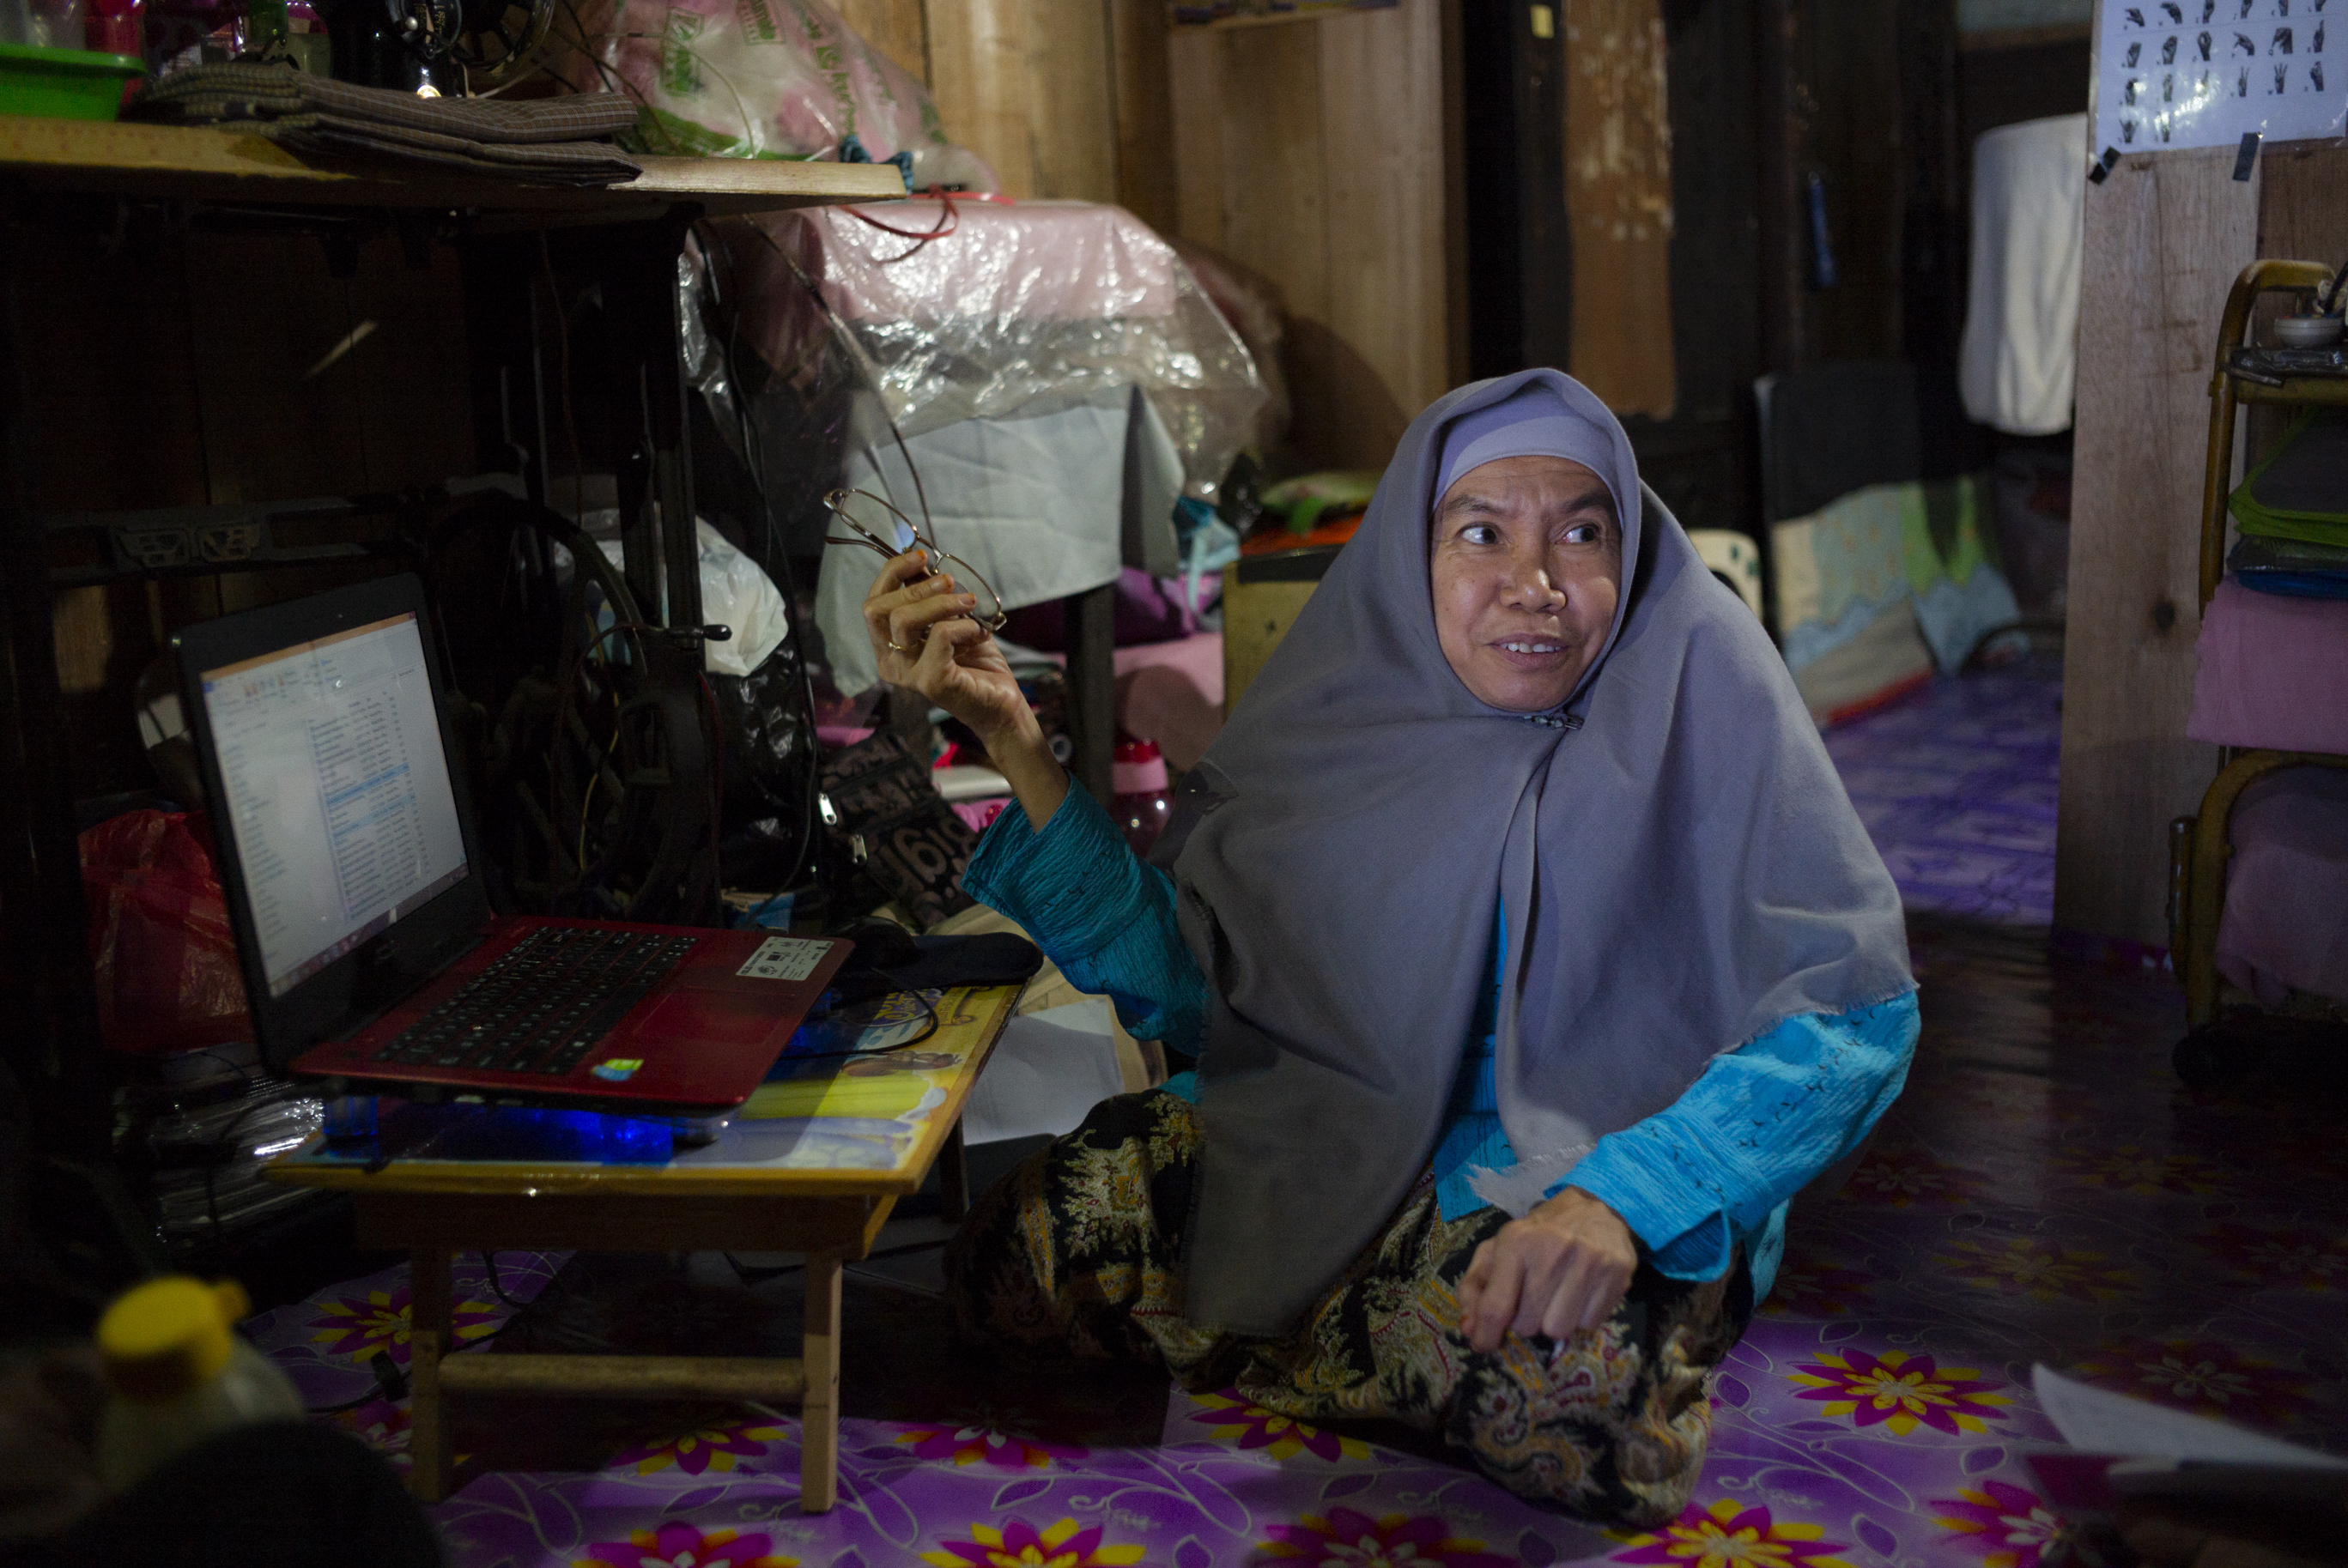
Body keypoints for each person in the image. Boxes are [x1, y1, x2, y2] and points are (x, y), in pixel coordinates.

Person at [859, 369, 1919, 1524]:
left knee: (1576, 1407)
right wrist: (1014, 740)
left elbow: (1855, 1015)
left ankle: (1305, 1332)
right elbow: (1206, 998)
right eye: (1480, 533)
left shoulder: (1706, 695)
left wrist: (1623, 1198)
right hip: (1323, 1128)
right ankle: (1374, 1340)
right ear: (1414, 562)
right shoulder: (1348, 724)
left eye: (1582, 533)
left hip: (1568, 1166)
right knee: (1016, 1259)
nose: (1536, 586)